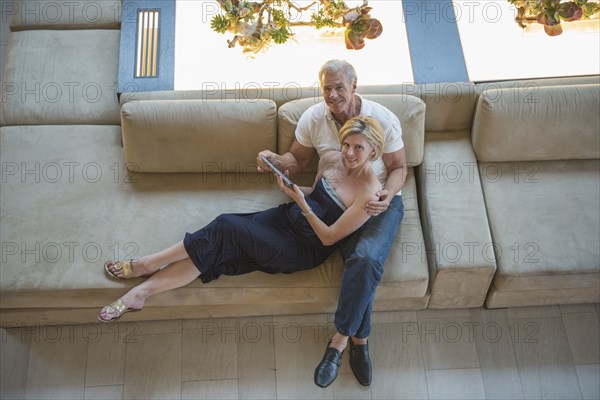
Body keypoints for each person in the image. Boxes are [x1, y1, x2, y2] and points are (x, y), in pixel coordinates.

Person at [98, 116, 385, 336]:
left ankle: (146, 264)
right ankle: (140, 294)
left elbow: (329, 237)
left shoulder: (369, 194)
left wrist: (302, 202)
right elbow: (315, 192)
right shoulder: (332, 158)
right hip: (288, 217)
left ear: (374, 150)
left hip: (304, 246)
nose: (348, 153)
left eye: (358, 148)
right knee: (217, 248)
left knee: (225, 226)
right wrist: (296, 190)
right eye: (346, 144)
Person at [258, 59, 406, 388]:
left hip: (379, 201)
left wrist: (387, 194)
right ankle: (360, 341)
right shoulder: (314, 118)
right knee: (360, 264)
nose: (333, 94)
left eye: (339, 86)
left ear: (355, 86)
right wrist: (276, 162)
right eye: (327, 87)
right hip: (337, 202)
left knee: (366, 259)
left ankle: (339, 340)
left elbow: (399, 167)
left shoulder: (382, 119)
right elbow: (297, 161)